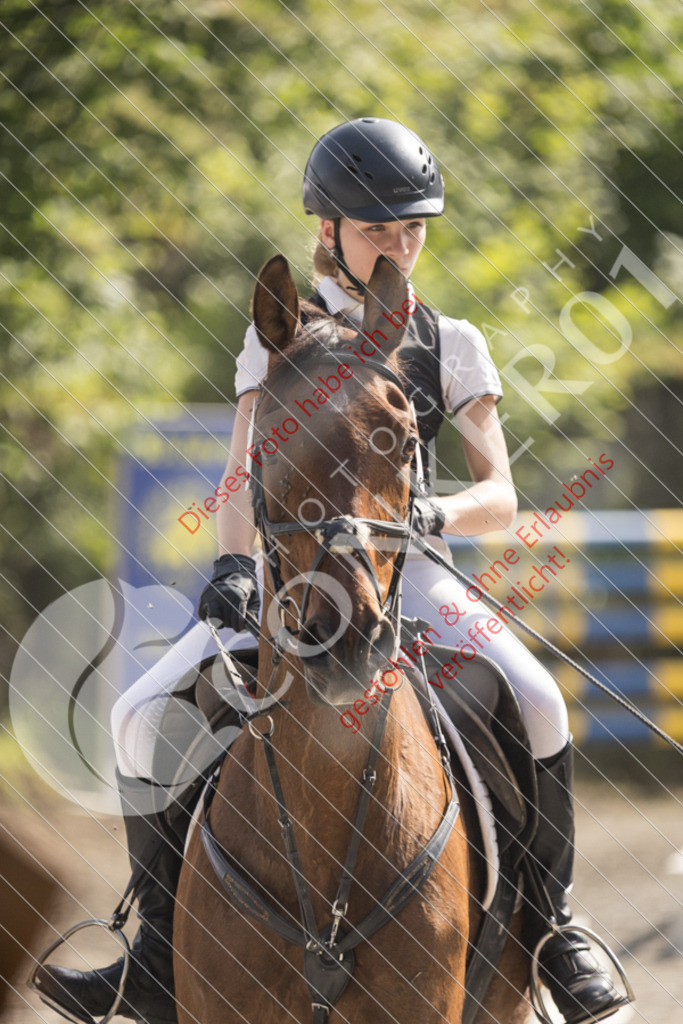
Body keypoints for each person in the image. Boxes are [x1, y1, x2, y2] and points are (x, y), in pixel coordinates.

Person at [34, 117, 629, 1024]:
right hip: (290, 580)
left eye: (411, 228)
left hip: (409, 571)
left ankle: (551, 928)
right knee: (133, 713)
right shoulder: (272, 341)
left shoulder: (448, 340)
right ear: (327, 231)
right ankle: (154, 945)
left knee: (538, 698)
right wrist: (235, 564)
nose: (398, 244)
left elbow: (500, 496)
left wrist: (426, 516)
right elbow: (242, 473)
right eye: (377, 229)